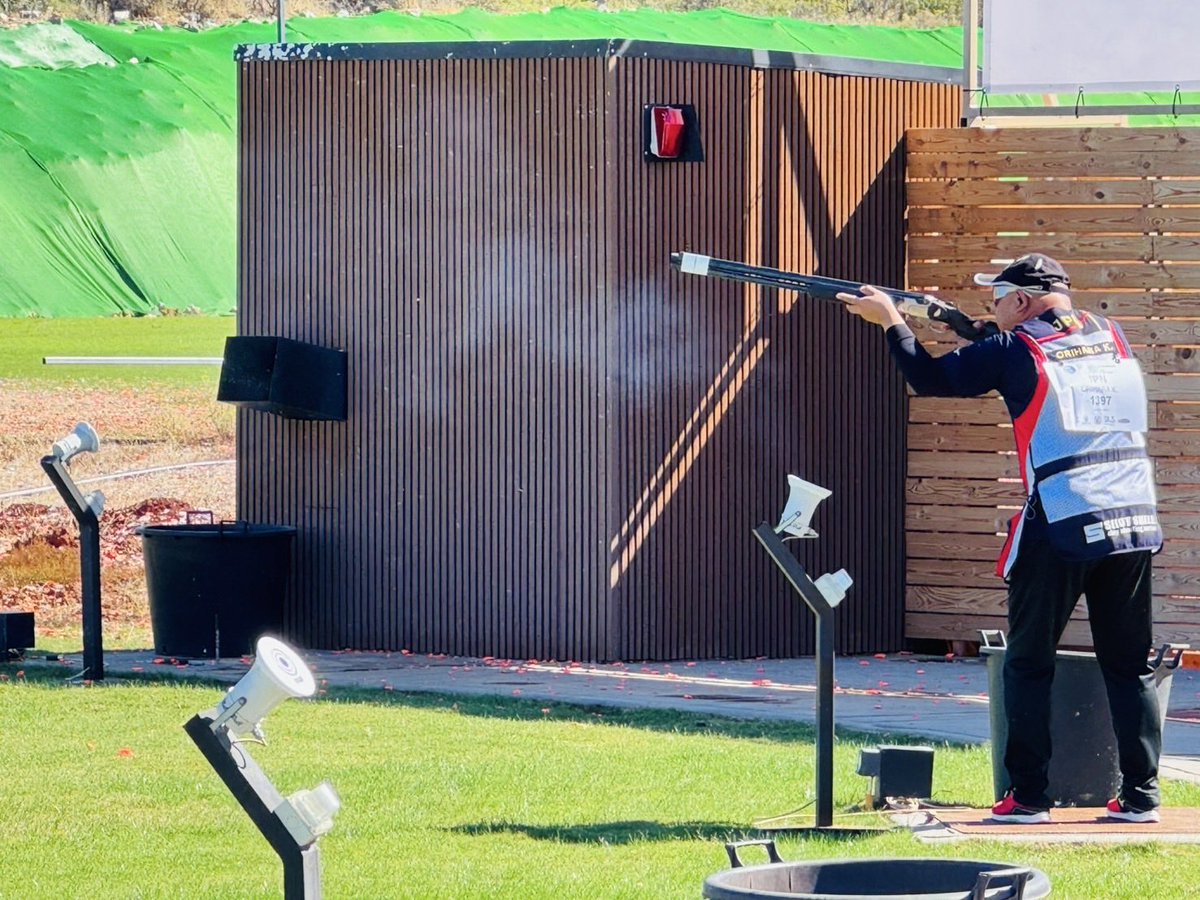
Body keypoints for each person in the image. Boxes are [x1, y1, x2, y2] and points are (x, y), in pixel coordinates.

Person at [836, 253, 1164, 824]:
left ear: (1020, 301)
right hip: (1132, 516)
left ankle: (1029, 798)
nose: (992, 308)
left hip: (1062, 518)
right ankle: (1141, 798)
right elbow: (1053, 352)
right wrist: (974, 331)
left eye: (997, 300)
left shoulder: (1015, 349)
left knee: (1028, 664)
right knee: (1128, 664)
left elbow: (930, 378)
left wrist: (892, 320)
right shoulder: (1110, 334)